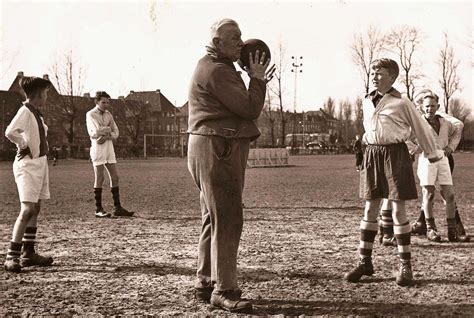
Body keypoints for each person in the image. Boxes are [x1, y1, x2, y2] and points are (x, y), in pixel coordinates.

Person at [187, 18, 275, 312]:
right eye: (234, 38)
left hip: (212, 146)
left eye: (240, 37)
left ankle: (205, 282)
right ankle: (224, 290)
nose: (241, 42)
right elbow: (249, 108)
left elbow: (243, 104)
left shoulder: (217, 67)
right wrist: (258, 79)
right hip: (217, 148)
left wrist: (255, 79)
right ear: (217, 43)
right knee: (228, 218)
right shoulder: (217, 70)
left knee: (214, 218)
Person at [343, 58, 441, 287]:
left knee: (397, 209)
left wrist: (432, 153)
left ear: (392, 77)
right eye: (373, 73)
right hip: (372, 156)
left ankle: (405, 265)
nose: (374, 76)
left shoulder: (402, 102)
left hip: (395, 155)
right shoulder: (366, 100)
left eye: (380, 73)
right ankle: (364, 261)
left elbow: (421, 127)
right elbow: (371, 129)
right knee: (370, 207)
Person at [4, 76, 54, 273]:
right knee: (27, 210)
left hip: (40, 163)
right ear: (37, 94)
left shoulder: (36, 113)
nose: (47, 97)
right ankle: (11, 256)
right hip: (27, 165)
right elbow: (10, 132)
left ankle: (28, 253)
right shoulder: (25, 110)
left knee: (36, 207)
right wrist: (22, 144)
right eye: (46, 93)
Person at [408, 90, 468, 242]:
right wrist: (417, 149)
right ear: (422, 107)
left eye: (433, 106)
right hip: (427, 158)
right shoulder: (417, 123)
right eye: (427, 106)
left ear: (438, 106)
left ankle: (452, 231)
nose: (430, 109)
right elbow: (404, 138)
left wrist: (451, 147)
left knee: (450, 194)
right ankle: (430, 229)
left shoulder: (445, 122)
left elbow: (457, 131)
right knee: (429, 194)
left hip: (443, 157)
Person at [86, 91, 133, 218]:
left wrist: (106, 134)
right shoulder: (90, 114)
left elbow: (116, 132)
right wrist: (108, 131)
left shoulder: (109, 115)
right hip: (98, 148)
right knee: (100, 178)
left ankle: (118, 207)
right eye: (103, 102)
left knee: (115, 177)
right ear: (97, 102)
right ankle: (98, 209)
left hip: (108, 148)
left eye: (107, 102)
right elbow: (94, 132)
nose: (106, 104)